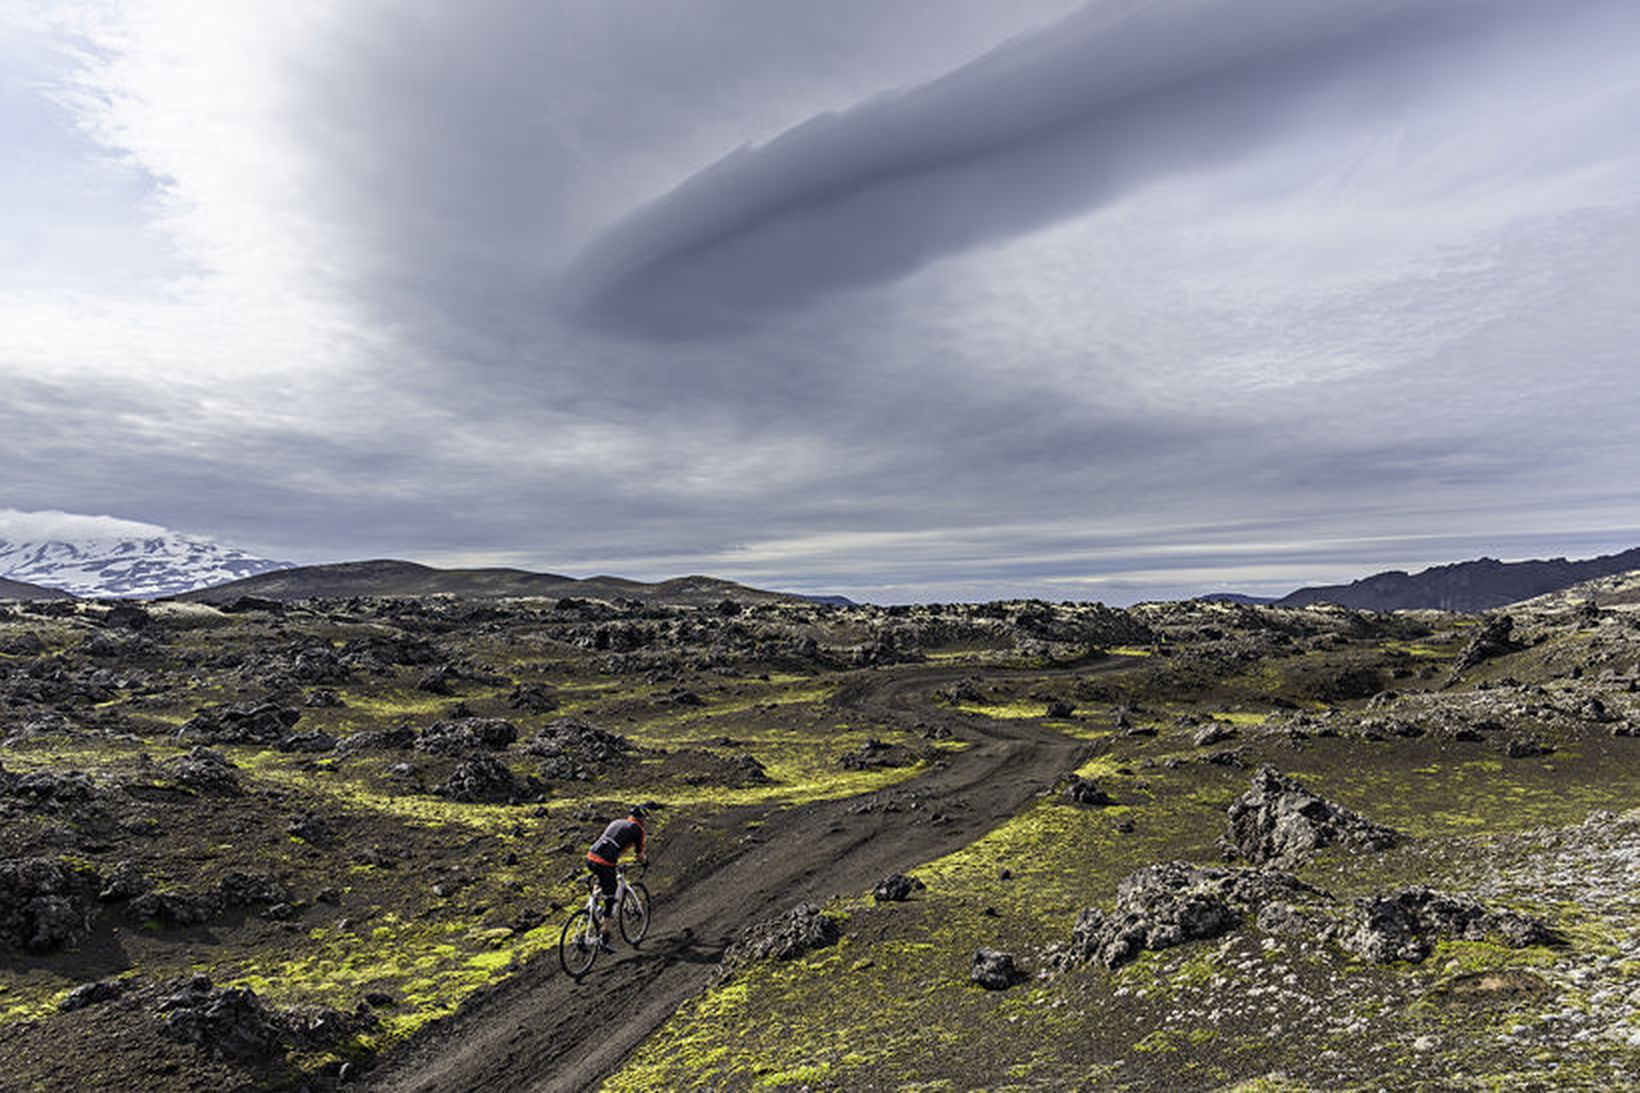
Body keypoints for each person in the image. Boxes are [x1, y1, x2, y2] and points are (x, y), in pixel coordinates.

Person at [585, 804, 648, 953]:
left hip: (591, 856)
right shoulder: (638, 830)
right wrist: (645, 863)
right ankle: (604, 937)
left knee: (604, 881)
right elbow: (639, 856)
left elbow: (613, 843)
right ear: (642, 819)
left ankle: (594, 906)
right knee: (611, 898)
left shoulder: (617, 822)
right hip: (605, 862)